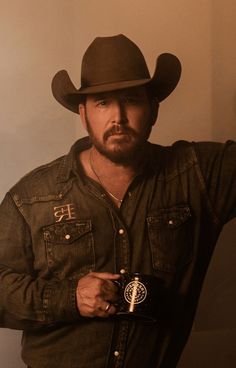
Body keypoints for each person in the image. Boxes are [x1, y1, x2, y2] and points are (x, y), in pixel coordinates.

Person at [0, 34, 235, 368]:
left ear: (153, 109)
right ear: (83, 114)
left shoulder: (197, 175)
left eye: (131, 100)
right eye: (102, 103)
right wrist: (70, 297)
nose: (119, 117)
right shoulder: (31, 198)